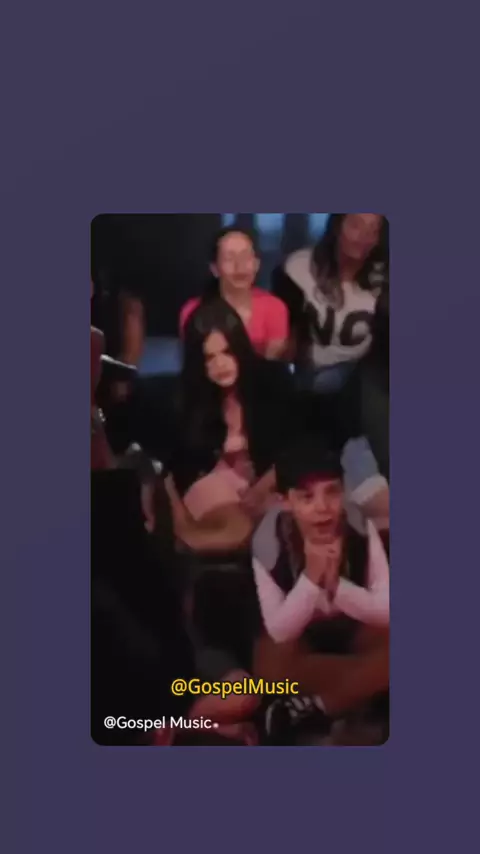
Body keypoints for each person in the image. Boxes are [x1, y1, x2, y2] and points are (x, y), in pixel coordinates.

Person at [251, 438, 389, 745]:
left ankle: (317, 707)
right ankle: (365, 689)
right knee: (268, 672)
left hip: (354, 626)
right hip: (297, 640)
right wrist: (311, 581)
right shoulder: (268, 540)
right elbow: (279, 629)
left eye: (332, 492)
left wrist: (337, 587)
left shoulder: (358, 525)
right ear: (285, 502)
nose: (323, 507)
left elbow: (385, 608)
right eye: (307, 497)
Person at [272, 213, 389, 393]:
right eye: (356, 226)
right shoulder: (299, 267)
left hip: (361, 374)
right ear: (337, 226)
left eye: (373, 230)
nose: (364, 237)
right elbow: (285, 334)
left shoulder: (383, 278)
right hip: (308, 372)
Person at [180, 227, 289, 360]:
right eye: (229, 258)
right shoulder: (192, 311)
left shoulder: (274, 308)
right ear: (214, 268)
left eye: (245, 257)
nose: (239, 266)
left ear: (256, 264)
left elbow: (272, 366)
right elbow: (193, 365)